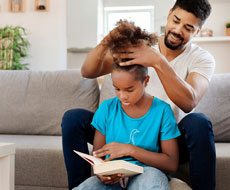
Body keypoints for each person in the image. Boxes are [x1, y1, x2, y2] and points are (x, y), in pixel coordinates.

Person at [62, 0, 216, 189]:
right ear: (169, 14)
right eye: (176, 20)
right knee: (73, 118)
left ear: (197, 31)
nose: (177, 30)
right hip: (125, 129)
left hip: (167, 136)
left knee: (199, 122)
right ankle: (85, 184)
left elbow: (188, 102)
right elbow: (88, 71)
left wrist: (157, 61)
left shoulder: (202, 59)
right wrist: (107, 41)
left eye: (188, 27)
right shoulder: (141, 46)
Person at [73, 22, 180, 190]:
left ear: (146, 81)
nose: (122, 96)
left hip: (148, 172)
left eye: (129, 89)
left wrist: (130, 150)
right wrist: (101, 172)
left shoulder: (161, 111)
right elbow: (98, 156)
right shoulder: (107, 109)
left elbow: (171, 163)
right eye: (117, 88)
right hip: (114, 176)